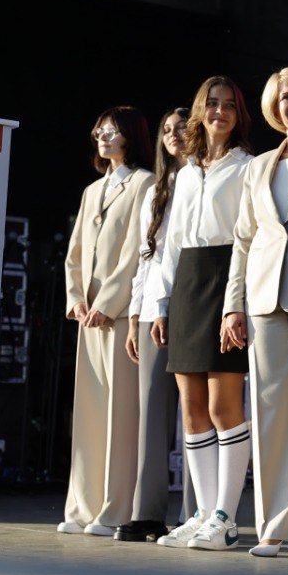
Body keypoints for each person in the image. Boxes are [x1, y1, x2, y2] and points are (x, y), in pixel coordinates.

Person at [221, 67, 288, 557]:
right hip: (262, 301)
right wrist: (233, 306)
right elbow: (243, 240)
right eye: (287, 97)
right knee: (271, 417)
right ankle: (275, 528)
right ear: (273, 106)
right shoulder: (259, 165)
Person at [150, 76, 254, 551]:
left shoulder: (248, 166)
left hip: (225, 277)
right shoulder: (185, 172)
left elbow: (247, 239)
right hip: (187, 284)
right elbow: (170, 243)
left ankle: (226, 519)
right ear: (199, 110)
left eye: (229, 104)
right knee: (191, 409)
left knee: (222, 406)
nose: (220, 111)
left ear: (239, 113)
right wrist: (161, 304)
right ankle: (202, 513)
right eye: (212, 103)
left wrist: (236, 304)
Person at [59, 106, 155, 537]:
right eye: (99, 131)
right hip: (88, 316)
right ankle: (82, 508)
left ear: (131, 135)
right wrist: (77, 300)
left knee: (120, 415)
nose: (102, 137)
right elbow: (75, 253)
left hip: (118, 316)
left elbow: (136, 250)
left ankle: (114, 510)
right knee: (90, 412)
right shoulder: (90, 190)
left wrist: (110, 302)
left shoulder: (144, 183)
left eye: (111, 131)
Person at [116, 107, 194, 543]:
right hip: (151, 310)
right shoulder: (156, 189)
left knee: (197, 413)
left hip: (194, 303)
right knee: (152, 414)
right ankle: (146, 513)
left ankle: (196, 514)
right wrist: (134, 316)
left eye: (181, 127)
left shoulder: (204, 177)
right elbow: (145, 257)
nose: (173, 134)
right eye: (166, 130)